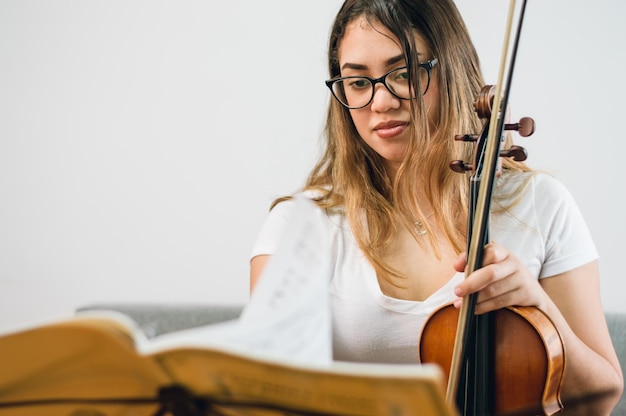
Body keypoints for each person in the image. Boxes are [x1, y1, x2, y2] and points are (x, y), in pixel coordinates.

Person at [249, 0, 623, 413]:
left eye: (405, 73)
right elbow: (265, 397)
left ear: (452, 70)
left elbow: (600, 398)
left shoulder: (540, 205)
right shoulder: (299, 226)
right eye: (358, 83)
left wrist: (541, 310)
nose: (381, 102)